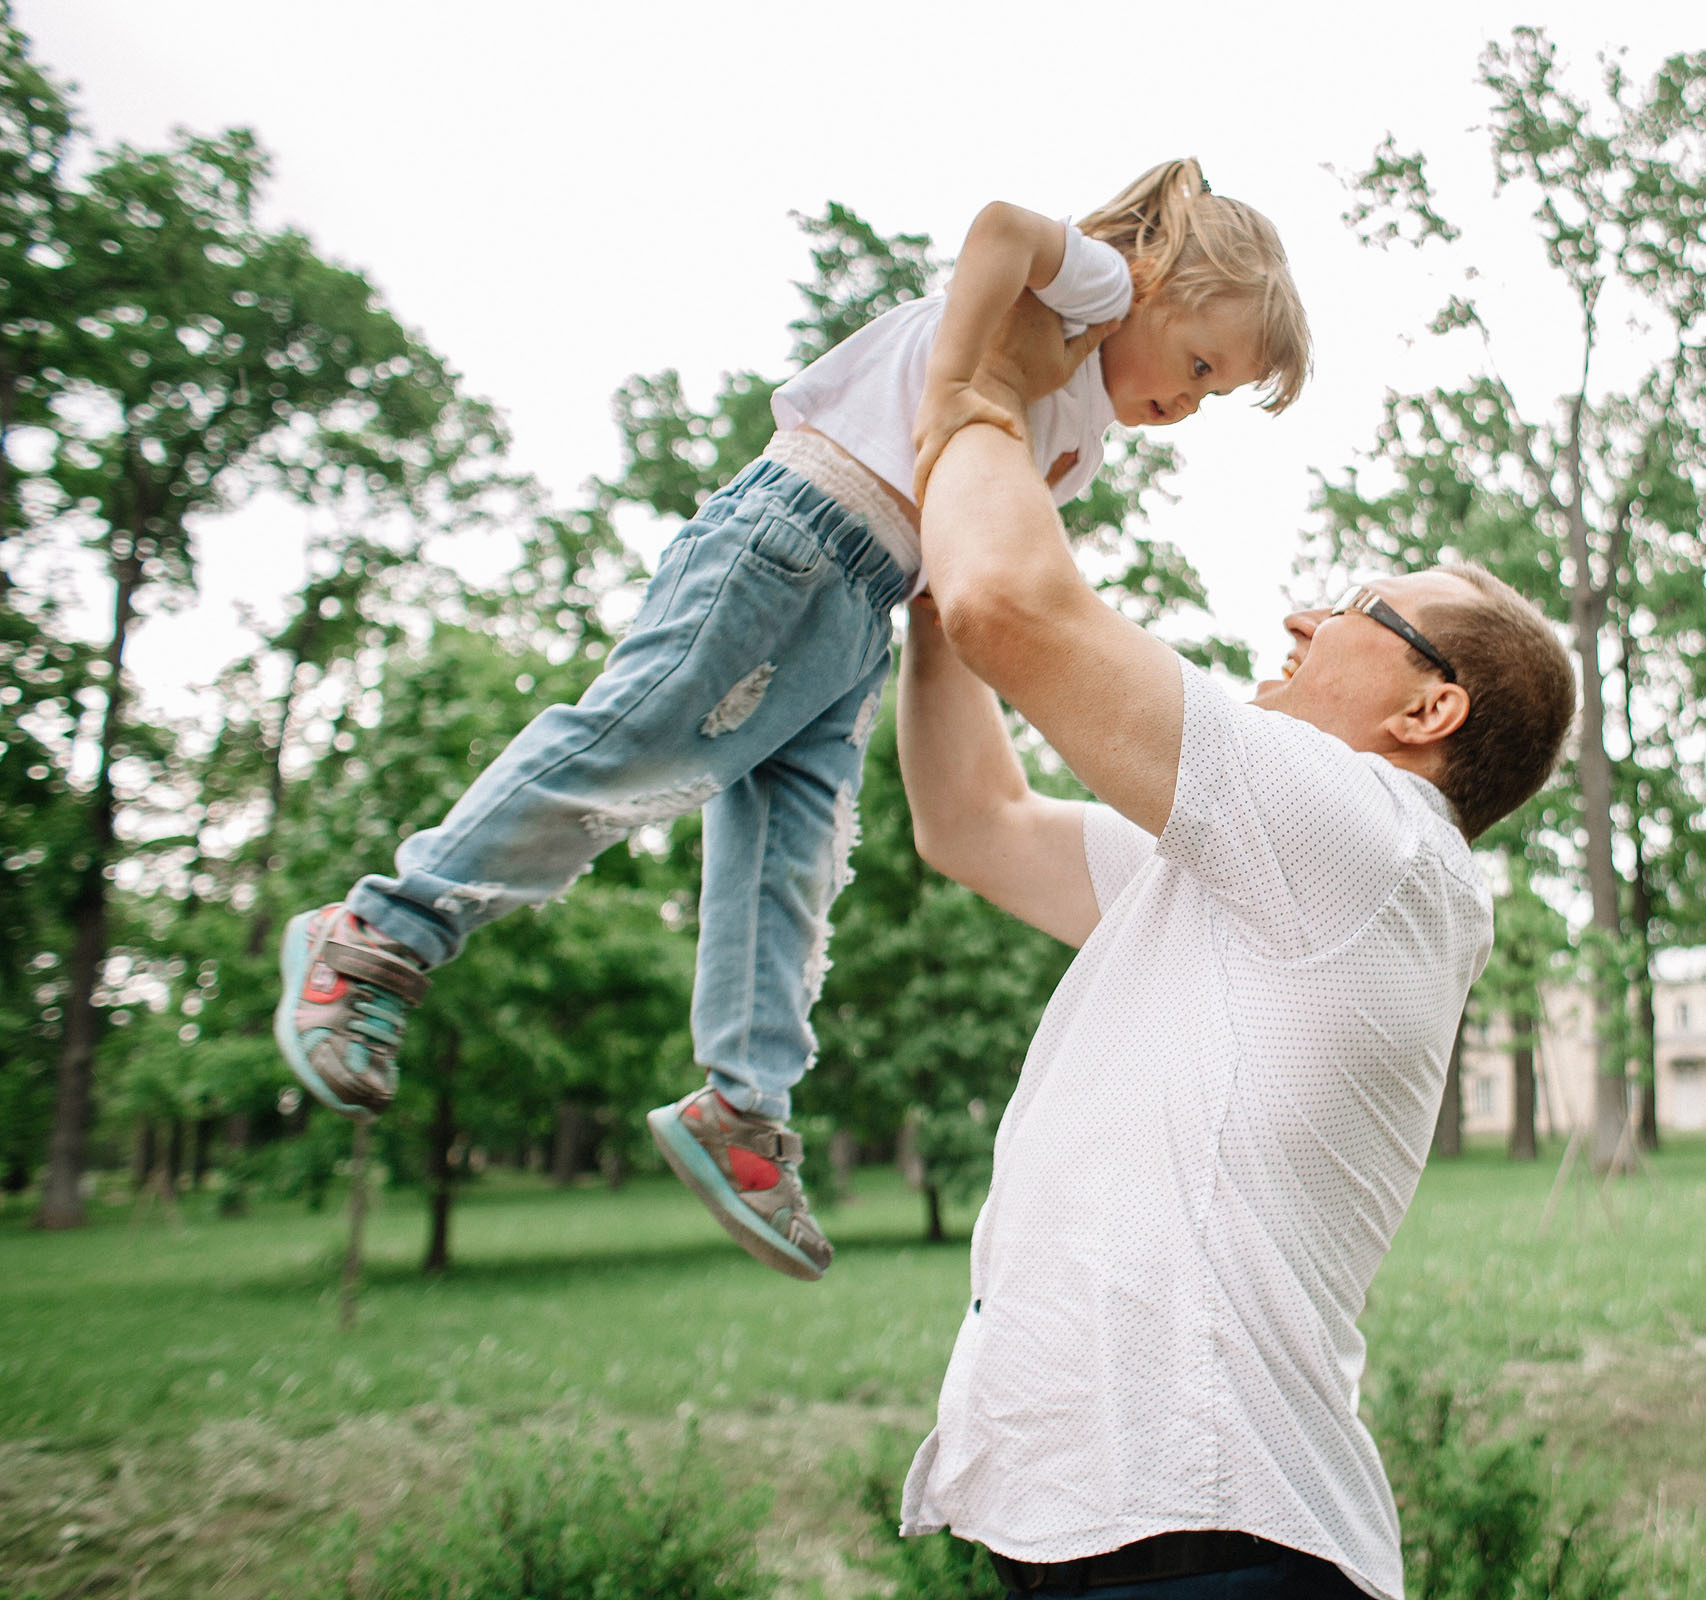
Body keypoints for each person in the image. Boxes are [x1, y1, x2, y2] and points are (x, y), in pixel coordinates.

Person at [271, 159, 1309, 1282]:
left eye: (1216, 395)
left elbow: (956, 572)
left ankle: (745, 1105)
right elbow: (1002, 225)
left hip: (856, 612)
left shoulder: (1080, 443)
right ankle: (379, 934)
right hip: (796, 535)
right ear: (1155, 280)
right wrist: (957, 379)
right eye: (1199, 363)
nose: (1191, 401)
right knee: (632, 749)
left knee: (791, 861)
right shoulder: (1094, 287)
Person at [894, 302, 1576, 1600]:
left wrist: (969, 392)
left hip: (1215, 1541)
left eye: (1366, 609)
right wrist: (933, 609)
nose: (1308, 618)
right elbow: (974, 824)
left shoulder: (1375, 839)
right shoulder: (1255, 874)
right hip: (1095, 1529)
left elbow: (1014, 602)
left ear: (1432, 709)